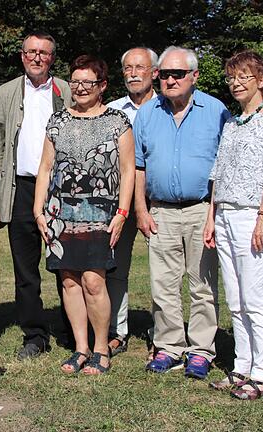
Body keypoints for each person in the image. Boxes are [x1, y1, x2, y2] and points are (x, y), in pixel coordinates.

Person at [34, 55, 135, 374]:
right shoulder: (58, 121)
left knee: (93, 280)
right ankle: (80, 348)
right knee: (69, 281)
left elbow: (128, 170)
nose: (79, 88)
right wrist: (39, 209)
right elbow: (45, 167)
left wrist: (122, 212)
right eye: (75, 82)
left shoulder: (118, 121)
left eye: (87, 82)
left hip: (101, 212)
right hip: (60, 212)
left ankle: (101, 348)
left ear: (102, 86)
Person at [134, 46, 230, 379]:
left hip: (201, 209)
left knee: (202, 285)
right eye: (164, 74)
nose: (170, 80)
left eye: (178, 74)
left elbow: (223, 168)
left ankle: (202, 350)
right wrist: (140, 209)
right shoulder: (147, 113)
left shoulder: (216, 111)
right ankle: (169, 347)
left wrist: (213, 215)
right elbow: (138, 166)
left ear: (194, 76)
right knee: (162, 285)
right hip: (159, 210)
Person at [203, 50, 263, 399]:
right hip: (224, 215)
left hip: (253, 215)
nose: (236, 83)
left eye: (244, 77)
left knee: (255, 296)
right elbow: (218, 175)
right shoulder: (232, 123)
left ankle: (262, 373)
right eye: (232, 77)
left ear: (261, 79)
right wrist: (211, 217)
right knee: (235, 299)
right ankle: (242, 366)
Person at [0, 31, 73, 359]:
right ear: (22, 56)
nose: (37, 57)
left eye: (44, 52)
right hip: (22, 188)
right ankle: (35, 335)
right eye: (31, 52)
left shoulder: (66, 90)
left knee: (68, 264)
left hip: (61, 190)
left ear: (52, 58)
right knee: (26, 269)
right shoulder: (5, 93)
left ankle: (72, 329)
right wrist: (2, 197)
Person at [104, 47, 158, 356]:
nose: (134, 73)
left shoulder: (168, 107)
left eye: (140, 67)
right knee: (115, 267)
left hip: (157, 201)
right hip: (118, 202)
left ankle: (161, 332)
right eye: (128, 68)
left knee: (163, 271)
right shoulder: (112, 110)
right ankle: (116, 330)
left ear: (154, 72)